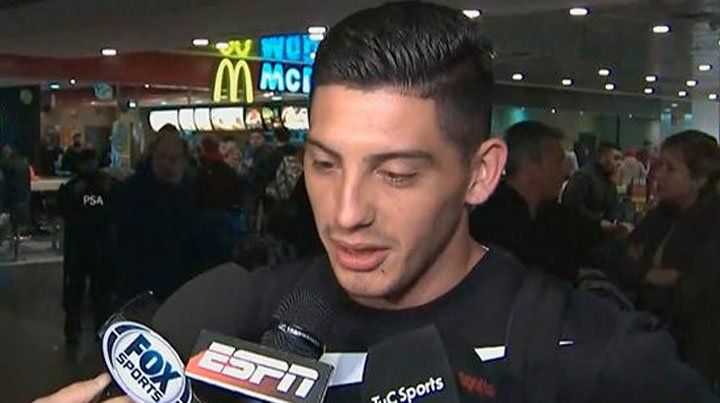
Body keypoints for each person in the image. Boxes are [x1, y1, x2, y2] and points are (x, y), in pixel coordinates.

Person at [40, 3, 717, 402]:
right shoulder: (245, 318)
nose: (345, 213)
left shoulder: (591, 357)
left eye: (394, 174)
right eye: (324, 164)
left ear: (481, 175)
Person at [618, 130, 720, 386]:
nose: (658, 174)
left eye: (670, 168)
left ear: (700, 179)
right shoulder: (662, 214)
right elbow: (620, 261)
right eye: (658, 165)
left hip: (696, 351)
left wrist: (642, 273)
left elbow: (695, 292)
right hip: (650, 342)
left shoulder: (713, 221)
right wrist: (658, 276)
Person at [469, 121, 602, 282]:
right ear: (531, 165)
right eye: (558, 161)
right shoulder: (493, 224)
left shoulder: (554, 216)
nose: (565, 172)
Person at [114, 126, 232, 303]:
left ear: (184, 161)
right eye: (163, 157)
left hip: (180, 285)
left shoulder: (194, 190)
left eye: (174, 158)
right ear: (153, 158)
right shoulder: (135, 192)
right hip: (146, 284)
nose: (167, 164)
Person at [56, 149, 117, 346]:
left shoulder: (73, 188)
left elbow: (62, 210)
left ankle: (75, 330)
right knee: (99, 293)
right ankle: (100, 331)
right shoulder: (108, 186)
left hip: (80, 247)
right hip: (100, 247)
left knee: (78, 291)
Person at [562, 142, 630, 235]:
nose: (619, 163)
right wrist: (598, 221)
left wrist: (618, 223)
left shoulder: (609, 179)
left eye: (621, 159)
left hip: (601, 234)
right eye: (616, 158)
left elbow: (614, 207)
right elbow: (571, 206)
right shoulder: (584, 176)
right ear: (602, 158)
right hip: (581, 233)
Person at [195, 134, 243, 212]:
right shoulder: (228, 170)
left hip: (206, 211)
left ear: (202, 149)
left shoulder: (200, 170)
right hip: (226, 210)